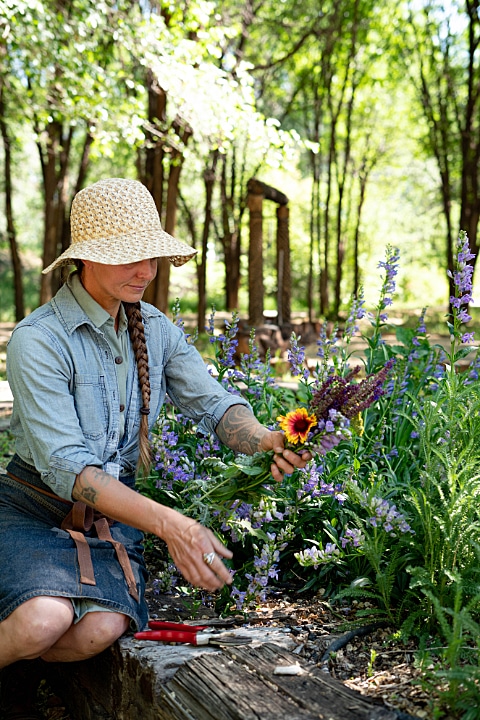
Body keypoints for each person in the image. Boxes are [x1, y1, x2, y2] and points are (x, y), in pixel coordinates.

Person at [0, 178, 309, 718]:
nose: (146, 271)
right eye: (128, 258)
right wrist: (174, 526)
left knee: (100, 629)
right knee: (41, 621)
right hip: (32, 512)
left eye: (151, 256)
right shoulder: (39, 339)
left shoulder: (155, 330)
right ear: (87, 260)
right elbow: (67, 468)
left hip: (107, 522)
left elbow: (215, 405)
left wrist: (266, 440)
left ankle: (22, 675)